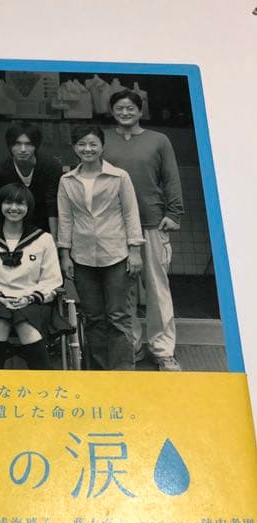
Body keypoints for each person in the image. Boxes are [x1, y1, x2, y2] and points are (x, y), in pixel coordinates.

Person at [104, 89, 184, 371]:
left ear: (140, 111)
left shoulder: (158, 140)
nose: (125, 113)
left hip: (152, 220)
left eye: (130, 108)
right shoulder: (102, 139)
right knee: (122, 290)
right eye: (119, 108)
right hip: (114, 225)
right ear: (112, 111)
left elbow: (171, 177)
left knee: (157, 288)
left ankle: (163, 350)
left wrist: (174, 213)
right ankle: (132, 346)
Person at [58, 125, 144, 371]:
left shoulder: (119, 176)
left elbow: (131, 213)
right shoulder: (67, 180)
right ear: (75, 148)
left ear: (102, 146)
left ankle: (122, 372)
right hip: (82, 257)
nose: (88, 149)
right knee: (93, 317)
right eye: (82, 144)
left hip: (116, 254)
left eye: (93, 144)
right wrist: (65, 255)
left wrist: (135, 251)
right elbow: (65, 218)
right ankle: (97, 371)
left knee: (118, 316)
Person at [0, 183, 66, 370]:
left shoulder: (44, 239)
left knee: (27, 324)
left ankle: (43, 385)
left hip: (32, 299)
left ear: (28, 207)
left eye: (20, 203)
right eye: (8, 202)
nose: (14, 208)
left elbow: (51, 278)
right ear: (0, 205)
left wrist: (29, 298)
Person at [0, 122, 62, 237]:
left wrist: (54, 239)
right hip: (11, 226)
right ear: (9, 145)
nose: (23, 149)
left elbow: (52, 205)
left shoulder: (51, 167)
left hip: (44, 227)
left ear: (36, 145)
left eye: (28, 144)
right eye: (17, 144)